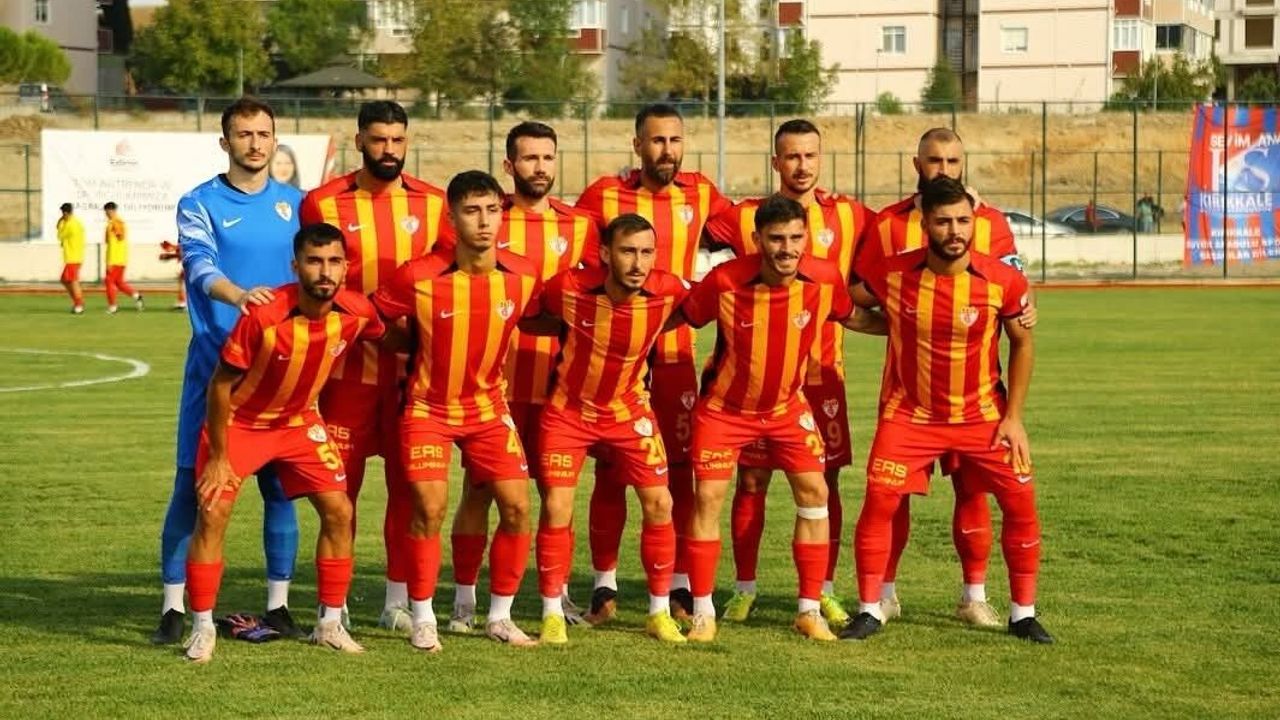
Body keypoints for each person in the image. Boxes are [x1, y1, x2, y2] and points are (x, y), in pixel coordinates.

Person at [842, 176, 1052, 645]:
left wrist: (1014, 417)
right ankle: (871, 608)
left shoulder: (1002, 280)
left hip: (984, 418)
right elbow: (848, 305)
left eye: (962, 220)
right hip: (910, 417)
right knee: (879, 500)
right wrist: (892, 326)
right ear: (925, 225)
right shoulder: (894, 273)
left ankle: (1023, 614)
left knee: (1020, 502)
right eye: (943, 222)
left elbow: (1022, 343)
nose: (954, 231)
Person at [671, 195, 886, 643]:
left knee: (816, 492)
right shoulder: (725, 280)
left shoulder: (824, 278)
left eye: (795, 238)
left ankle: (808, 610)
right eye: (776, 239)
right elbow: (681, 314)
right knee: (708, 498)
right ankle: (704, 612)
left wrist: (910, 322)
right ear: (756, 239)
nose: (787, 248)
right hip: (725, 411)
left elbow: (855, 317)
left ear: (806, 238)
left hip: (787, 409)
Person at [181, 222, 386, 663]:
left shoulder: (358, 313)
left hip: (299, 423)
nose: (324, 271)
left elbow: (385, 337)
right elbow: (220, 385)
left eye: (333, 261)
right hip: (241, 423)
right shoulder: (265, 314)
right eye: (314, 261)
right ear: (296, 267)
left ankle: (329, 625)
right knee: (213, 514)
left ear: (346, 267)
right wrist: (218, 457)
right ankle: (202, 627)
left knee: (339, 510)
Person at [703, 119, 876, 627]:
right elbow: (680, 221)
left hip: (822, 374)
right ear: (775, 161)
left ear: (822, 158)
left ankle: (821, 591)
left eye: (810, 155)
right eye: (792, 156)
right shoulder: (742, 216)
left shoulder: (852, 214)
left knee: (825, 484)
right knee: (750, 480)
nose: (802, 165)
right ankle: (744, 587)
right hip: (751, 376)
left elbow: (904, 233)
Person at [153, 97, 305, 646]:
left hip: (280, 374)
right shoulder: (200, 202)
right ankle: (173, 608)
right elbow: (198, 264)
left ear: (275, 139)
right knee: (191, 486)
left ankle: (279, 605)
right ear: (225, 142)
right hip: (216, 366)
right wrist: (239, 296)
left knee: (280, 489)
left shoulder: (299, 204)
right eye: (244, 134)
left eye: (264, 133)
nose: (255, 143)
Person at [370, 171, 542, 653]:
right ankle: (423, 616)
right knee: (428, 508)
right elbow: (374, 317)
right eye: (472, 211)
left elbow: (542, 317)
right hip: (428, 409)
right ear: (452, 218)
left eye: (492, 210)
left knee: (517, 507)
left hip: (489, 409)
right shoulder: (418, 275)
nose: (484, 221)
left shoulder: (524, 274)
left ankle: (499, 616)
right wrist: (407, 344)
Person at [574, 103, 732, 623]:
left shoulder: (701, 193)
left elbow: (752, 228)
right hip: (616, 359)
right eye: (657, 140)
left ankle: (680, 585)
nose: (667, 150)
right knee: (611, 474)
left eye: (675, 140)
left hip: (674, 356)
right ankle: (604, 585)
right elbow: (578, 255)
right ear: (637, 144)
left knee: (679, 474)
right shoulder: (603, 195)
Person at [301, 100, 454, 632]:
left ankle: (395, 601)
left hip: (412, 377)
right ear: (359, 140)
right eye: (378, 139)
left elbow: (445, 279)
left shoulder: (434, 204)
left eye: (397, 140)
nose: (388, 150)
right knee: (339, 494)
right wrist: (365, 325)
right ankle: (335, 603)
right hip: (345, 375)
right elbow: (315, 282)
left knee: (407, 491)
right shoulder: (323, 202)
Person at [446, 121, 599, 633]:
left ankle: (558, 595)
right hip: (496, 387)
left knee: (559, 495)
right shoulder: (488, 218)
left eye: (547, 157)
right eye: (529, 158)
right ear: (509, 165)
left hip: (560, 387)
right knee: (479, 491)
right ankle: (464, 598)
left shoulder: (580, 227)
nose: (540, 167)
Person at [520, 214, 689, 645]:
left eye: (646, 252)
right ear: (605, 254)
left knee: (660, 503)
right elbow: (532, 316)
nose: (638, 263)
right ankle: (552, 613)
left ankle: (657, 612)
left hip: (630, 412)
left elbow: (696, 310)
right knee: (557, 506)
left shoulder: (668, 290)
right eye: (628, 251)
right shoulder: (568, 287)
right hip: (569, 413)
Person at [102, 201, 143, 314]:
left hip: (115, 259)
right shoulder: (113, 223)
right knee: (118, 282)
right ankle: (137, 296)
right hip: (120, 258)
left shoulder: (116, 223)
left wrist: (110, 261)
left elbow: (118, 240)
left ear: (112, 210)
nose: (106, 214)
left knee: (109, 281)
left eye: (107, 211)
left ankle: (113, 306)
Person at [56, 202, 85, 314]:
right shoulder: (75, 222)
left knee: (73, 281)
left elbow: (60, 236)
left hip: (73, 257)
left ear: (66, 213)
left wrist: (60, 223)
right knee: (64, 280)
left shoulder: (70, 224)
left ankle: (79, 304)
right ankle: (77, 302)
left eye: (63, 213)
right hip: (74, 256)